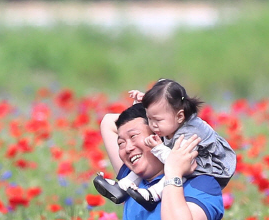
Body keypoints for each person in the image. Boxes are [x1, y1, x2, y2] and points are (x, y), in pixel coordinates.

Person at [94, 78, 236, 209]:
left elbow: (177, 163)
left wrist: (158, 148)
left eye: (157, 120)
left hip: (206, 164)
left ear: (180, 116)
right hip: (182, 151)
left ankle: (153, 195)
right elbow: (163, 93)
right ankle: (123, 186)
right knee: (146, 158)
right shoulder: (172, 118)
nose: (153, 125)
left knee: (176, 170)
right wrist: (146, 103)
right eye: (149, 119)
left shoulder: (188, 133)